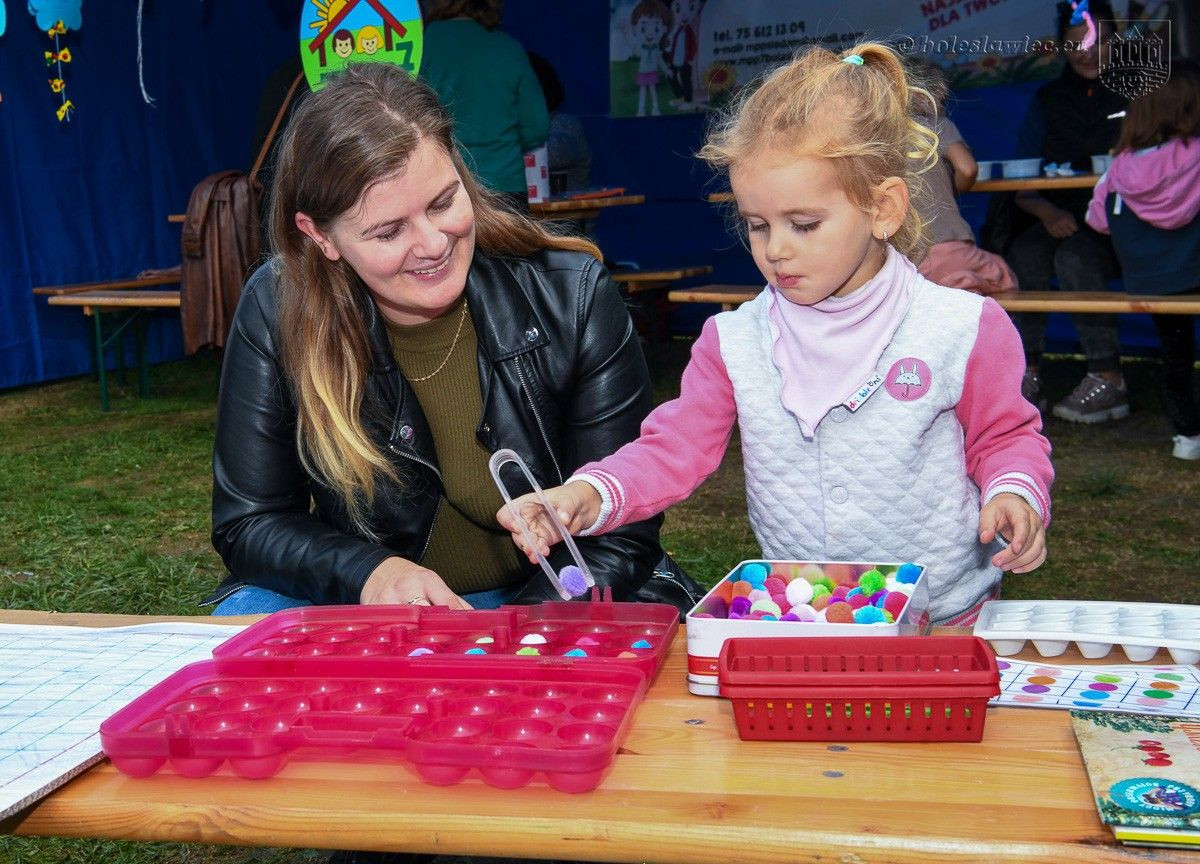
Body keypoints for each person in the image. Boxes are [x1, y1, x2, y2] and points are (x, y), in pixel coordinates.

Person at [498, 43, 1054, 626]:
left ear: (883, 208)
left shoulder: (963, 328)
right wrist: (588, 495)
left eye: (805, 224)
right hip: (809, 617)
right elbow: (673, 447)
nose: (776, 249)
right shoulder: (733, 343)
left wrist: (1013, 490)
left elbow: (1004, 437)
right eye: (757, 225)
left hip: (948, 615)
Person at [206, 62, 671, 617]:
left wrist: (511, 638)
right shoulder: (276, 307)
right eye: (388, 231)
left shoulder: (572, 298)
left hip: (546, 599)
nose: (432, 244)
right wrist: (370, 573)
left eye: (443, 202)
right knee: (243, 616)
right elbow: (249, 521)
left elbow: (620, 534)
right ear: (319, 235)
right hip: (378, 606)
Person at [1006, 0, 1127, 418]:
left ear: (1117, 43)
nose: (1087, 52)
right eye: (1075, 44)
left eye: (1098, 41)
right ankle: (1028, 373)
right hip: (1058, 215)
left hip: (1123, 220)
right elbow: (1022, 183)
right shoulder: (1048, 98)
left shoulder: (1141, 91)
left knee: (1075, 257)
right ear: (1062, 48)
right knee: (1023, 253)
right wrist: (1045, 211)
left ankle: (1108, 377)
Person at [1085, 59, 1200, 460]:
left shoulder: (1120, 166)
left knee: (1176, 356)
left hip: (1152, 279)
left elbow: (1096, 219)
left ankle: (1187, 438)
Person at [418, 0, 548, 211]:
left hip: (443, 187)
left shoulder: (423, 46)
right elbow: (536, 128)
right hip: (506, 188)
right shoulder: (509, 49)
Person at [908, 61, 1018, 296]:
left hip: (902, 261)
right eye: (943, 99)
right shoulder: (937, 125)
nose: (943, 105)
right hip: (949, 250)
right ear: (935, 92)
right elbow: (967, 169)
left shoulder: (878, 137)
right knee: (1003, 275)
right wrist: (952, 189)